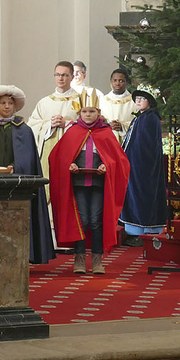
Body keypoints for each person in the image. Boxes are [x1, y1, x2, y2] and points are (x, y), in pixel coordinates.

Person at [49, 90, 130, 274]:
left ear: (98, 113)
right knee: (82, 220)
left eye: (92, 112)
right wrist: (69, 166)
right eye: (85, 112)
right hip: (78, 183)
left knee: (95, 221)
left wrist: (106, 165)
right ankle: (79, 259)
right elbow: (58, 157)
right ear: (79, 114)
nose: (88, 115)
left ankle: (97, 259)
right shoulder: (73, 132)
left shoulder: (106, 132)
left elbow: (120, 160)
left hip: (98, 184)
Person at [0, 85, 55, 264]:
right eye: (3, 103)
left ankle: (22, 253)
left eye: (10, 103)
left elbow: (27, 156)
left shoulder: (23, 129)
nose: (6, 106)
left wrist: (15, 166)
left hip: (15, 182)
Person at [120, 84, 168, 246]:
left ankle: (142, 231)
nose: (139, 101)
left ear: (150, 101)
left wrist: (133, 160)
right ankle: (135, 231)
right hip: (134, 165)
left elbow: (145, 146)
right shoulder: (140, 117)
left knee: (142, 196)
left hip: (143, 167)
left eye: (143, 98)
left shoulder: (149, 119)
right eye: (137, 99)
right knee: (135, 196)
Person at [28, 61, 81, 196]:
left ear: (72, 77)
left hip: (71, 151)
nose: (60, 78)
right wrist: (48, 124)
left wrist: (67, 124)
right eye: (57, 75)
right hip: (48, 150)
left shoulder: (81, 101)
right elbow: (31, 125)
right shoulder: (44, 102)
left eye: (64, 75)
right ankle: (49, 217)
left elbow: (89, 127)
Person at [99, 68, 135, 142]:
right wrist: (109, 125)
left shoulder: (134, 101)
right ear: (111, 82)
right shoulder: (103, 100)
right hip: (108, 140)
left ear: (127, 82)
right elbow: (98, 121)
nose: (117, 83)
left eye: (121, 81)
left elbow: (137, 122)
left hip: (128, 141)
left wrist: (122, 126)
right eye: (114, 80)